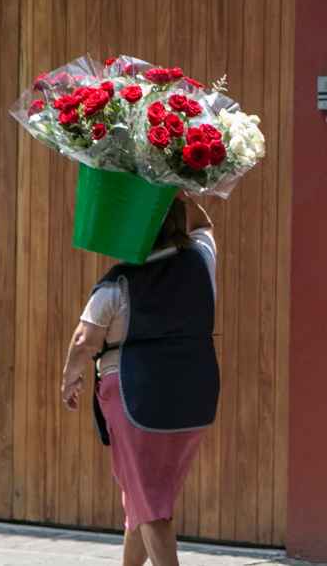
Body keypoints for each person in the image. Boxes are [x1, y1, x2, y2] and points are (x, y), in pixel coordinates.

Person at [61, 195, 219, 566]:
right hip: (194, 399)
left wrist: (70, 377)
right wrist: (175, 188)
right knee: (144, 495)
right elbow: (205, 224)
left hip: (138, 399)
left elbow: (85, 339)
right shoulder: (202, 258)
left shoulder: (116, 285)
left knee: (152, 509)